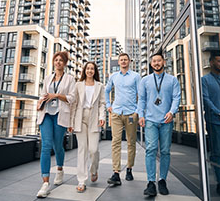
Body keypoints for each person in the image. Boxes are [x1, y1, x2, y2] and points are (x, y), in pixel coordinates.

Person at [138, 53, 180, 196]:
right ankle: (151, 182)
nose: (156, 63)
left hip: (166, 121)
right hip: (150, 120)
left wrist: (172, 112)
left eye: (159, 61)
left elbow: (176, 98)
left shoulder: (172, 80)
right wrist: (141, 115)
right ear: (151, 64)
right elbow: (141, 99)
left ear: (163, 62)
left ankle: (162, 180)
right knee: (150, 150)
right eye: (154, 61)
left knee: (165, 151)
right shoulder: (145, 80)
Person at [36, 51, 76, 198]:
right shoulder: (48, 78)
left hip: (61, 115)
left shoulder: (70, 79)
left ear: (65, 63)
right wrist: (40, 101)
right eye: (56, 60)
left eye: (61, 60)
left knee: (57, 145)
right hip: (46, 114)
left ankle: (59, 169)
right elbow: (43, 94)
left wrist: (57, 95)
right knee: (46, 146)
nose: (58, 62)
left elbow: (72, 98)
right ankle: (45, 183)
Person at [105, 53, 141, 185]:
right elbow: (106, 90)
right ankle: (116, 173)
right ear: (119, 62)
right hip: (116, 113)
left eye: (126, 59)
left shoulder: (136, 76)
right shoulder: (114, 76)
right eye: (121, 60)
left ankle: (129, 169)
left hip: (131, 114)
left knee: (131, 142)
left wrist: (137, 111)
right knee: (115, 142)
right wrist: (109, 105)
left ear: (129, 62)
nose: (123, 61)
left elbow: (141, 94)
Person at [70, 62, 106, 193]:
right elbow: (73, 103)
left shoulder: (100, 85)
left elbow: (102, 103)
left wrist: (102, 117)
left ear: (95, 71)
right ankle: (81, 180)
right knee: (82, 149)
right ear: (84, 70)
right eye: (88, 68)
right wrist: (71, 122)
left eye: (92, 69)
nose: (90, 71)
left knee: (94, 149)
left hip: (94, 118)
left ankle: (94, 170)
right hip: (80, 117)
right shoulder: (78, 85)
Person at [202, 53, 220, 197]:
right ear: (211, 63)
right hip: (215, 121)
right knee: (216, 152)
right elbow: (206, 99)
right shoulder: (205, 80)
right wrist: (219, 114)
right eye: (219, 61)